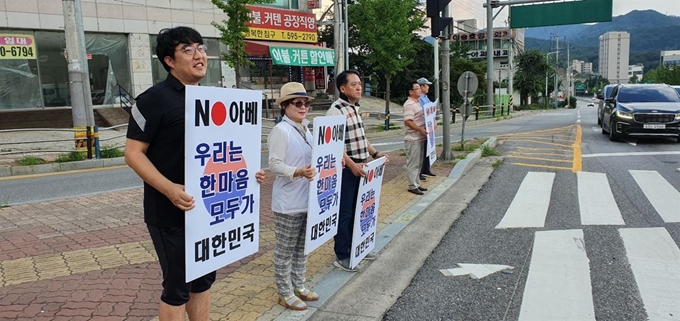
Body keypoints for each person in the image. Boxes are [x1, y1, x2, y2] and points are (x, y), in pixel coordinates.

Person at [125, 26, 265, 321]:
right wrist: (169, 189)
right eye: (188, 50)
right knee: (177, 286)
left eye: (200, 48)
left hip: (208, 212)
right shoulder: (153, 99)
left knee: (203, 280)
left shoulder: (215, 100)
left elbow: (226, 150)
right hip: (171, 212)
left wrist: (249, 173)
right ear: (169, 61)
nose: (199, 55)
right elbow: (133, 154)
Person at [326, 70, 389, 272]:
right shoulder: (336, 110)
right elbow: (335, 146)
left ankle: (358, 247)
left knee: (359, 210)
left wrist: (375, 154)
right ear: (342, 89)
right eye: (353, 84)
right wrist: (353, 166)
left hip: (362, 167)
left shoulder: (354, 108)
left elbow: (362, 137)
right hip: (347, 170)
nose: (359, 87)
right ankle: (342, 255)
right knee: (345, 212)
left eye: (359, 84)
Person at [267, 82, 320, 311]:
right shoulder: (281, 130)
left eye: (306, 103)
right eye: (297, 103)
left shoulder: (306, 129)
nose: (303, 107)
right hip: (288, 202)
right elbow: (274, 165)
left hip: (307, 199)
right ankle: (284, 291)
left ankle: (299, 285)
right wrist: (297, 172)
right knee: (285, 249)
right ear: (285, 106)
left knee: (302, 247)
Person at [403, 81, 428, 195]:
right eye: (417, 88)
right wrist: (420, 129)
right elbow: (408, 121)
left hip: (420, 138)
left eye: (419, 88)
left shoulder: (418, 103)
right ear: (411, 91)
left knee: (419, 162)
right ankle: (412, 185)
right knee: (413, 163)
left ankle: (416, 183)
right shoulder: (409, 104)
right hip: (413, 139)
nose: (420, 90)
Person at [417, 77, 436, 179]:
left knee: (427, 149)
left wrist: (434, 121)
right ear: (422, 86)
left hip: (429, 127)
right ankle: (419, 172)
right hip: (423, 128)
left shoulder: (426, 97)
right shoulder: (419, 98)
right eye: (426, 85)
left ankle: (426, 169)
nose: (428, 87)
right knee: (421, 151)